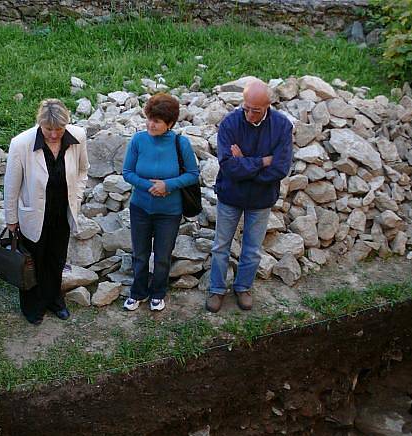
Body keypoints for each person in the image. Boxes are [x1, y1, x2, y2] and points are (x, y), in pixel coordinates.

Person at [206, 78, 293, 313]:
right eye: (247, 108)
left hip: (261, 199)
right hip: (230, 195)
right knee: (221, 246)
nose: (250, 114)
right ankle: (216, 289)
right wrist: (261, 162)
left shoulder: (282, 126)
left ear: (267, 106)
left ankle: (243, 287)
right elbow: (228, 166)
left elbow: (280, 169)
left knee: (252, 249)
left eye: (256, 110)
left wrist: (244, 162)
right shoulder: (230, 123)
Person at [4, 99, 89, 325]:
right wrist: (11, 218)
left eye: (58, 130)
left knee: (56, 259)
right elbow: (12, 185)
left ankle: (54, 300)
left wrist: (77, 197)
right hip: (33, 214)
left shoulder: (78, 136)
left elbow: (83, 170)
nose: (53, 135)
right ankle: (33, 307)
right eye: (48, 129)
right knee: (34, 262)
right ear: (40, 124)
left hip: (62, 211)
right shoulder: (21, 144)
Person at [122, 93, 199, 312]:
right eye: (149, 118)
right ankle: (138, 292)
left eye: (156, 121)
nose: (150, 124)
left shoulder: (180, 143)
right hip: (140, 208)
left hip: (169, 212)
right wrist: (150, 186)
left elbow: (193, 174)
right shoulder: (138, 140)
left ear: (170, 123)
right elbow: (127, 172)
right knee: (140, 254)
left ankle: (158, 292)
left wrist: (168, 185)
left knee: (163, 256)